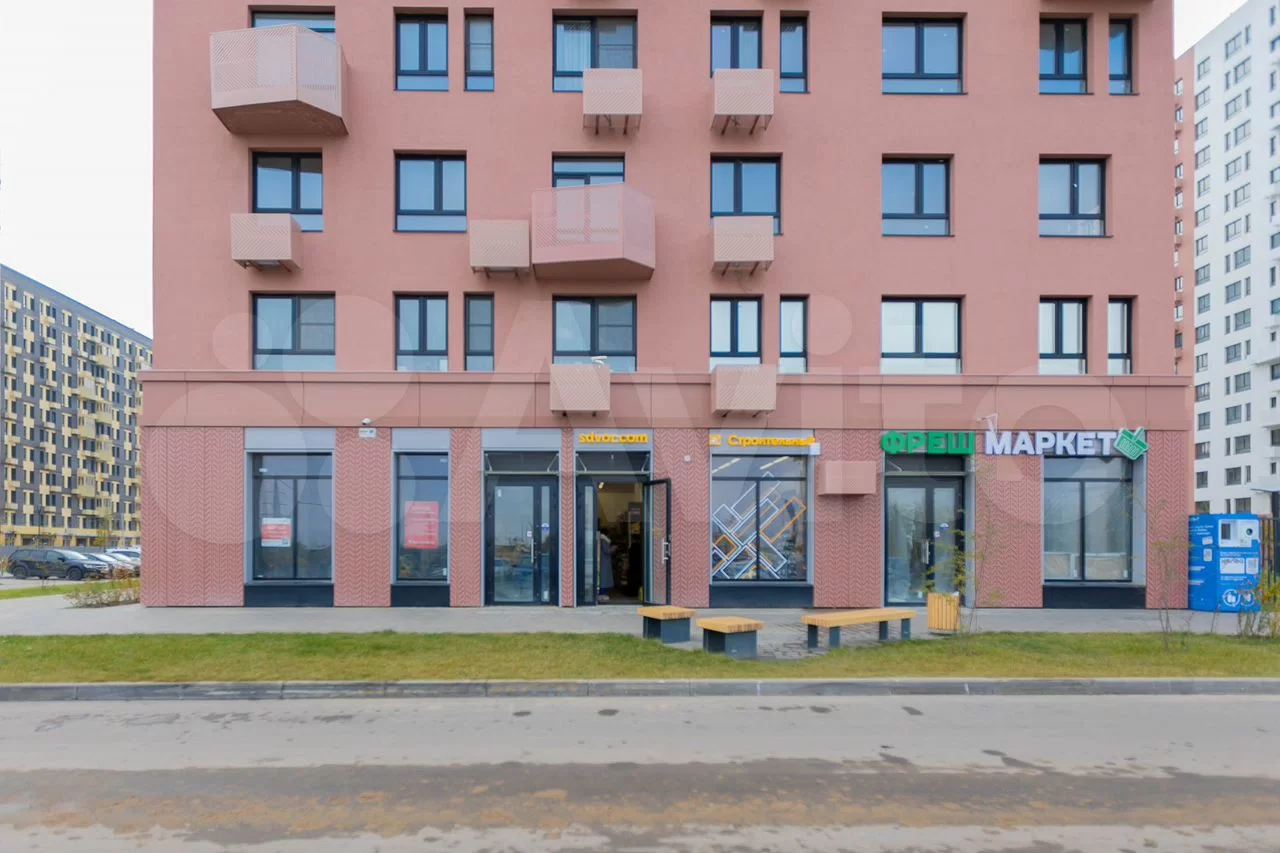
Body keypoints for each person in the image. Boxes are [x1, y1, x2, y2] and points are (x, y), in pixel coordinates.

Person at [597, 524, 614, 602]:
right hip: (604, 562)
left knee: (603, 577)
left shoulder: (601, 539)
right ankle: (602, 594)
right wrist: (613, 548)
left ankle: (602, 593)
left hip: (602, 561)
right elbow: (607, 551)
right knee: (604, 577)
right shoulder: (604, 540)